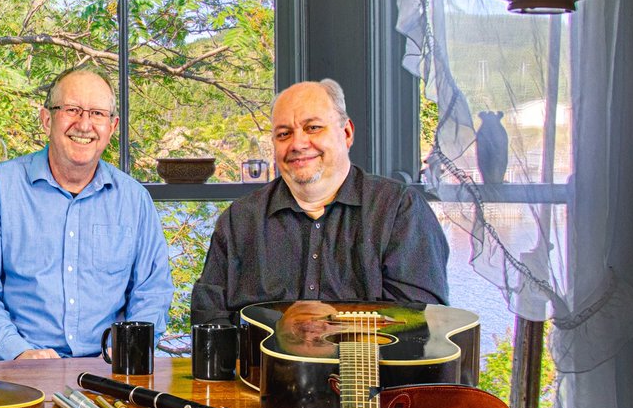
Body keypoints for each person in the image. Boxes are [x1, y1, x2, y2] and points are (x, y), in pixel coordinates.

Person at [0, 67, 174, 360]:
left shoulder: (135, 200)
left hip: (110, 366)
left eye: (97, 114)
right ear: (47, 120)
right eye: (72, 110)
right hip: (19, 365)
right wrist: (17, 352)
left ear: (112, 126)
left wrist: (124, 352)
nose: (84, 125)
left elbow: (153, 292)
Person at [191, 79, 448, 327]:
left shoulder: (399, 210)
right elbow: (209, 320)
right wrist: (282, 330)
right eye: (284, 134)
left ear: (346, 133)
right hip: (263, 371)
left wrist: (334, 328)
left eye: (313, 128)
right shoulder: (240, 219)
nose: (298, 143)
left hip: (367, 370)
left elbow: (418, 321)